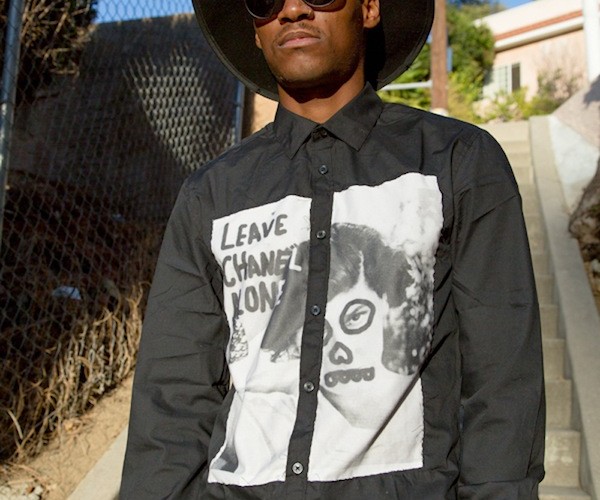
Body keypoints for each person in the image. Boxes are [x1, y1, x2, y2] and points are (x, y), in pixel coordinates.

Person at [120, 0, 546, 498]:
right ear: (256, 31)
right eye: (266, 0)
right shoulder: (210, 195)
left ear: (369, 8)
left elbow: (502, 378)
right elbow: (172, 395)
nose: (292, 9)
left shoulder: (456, 162)